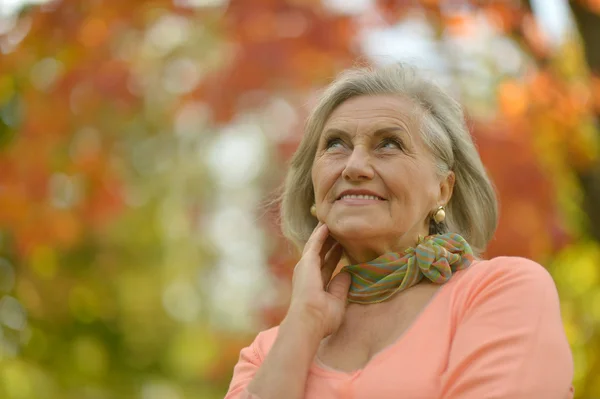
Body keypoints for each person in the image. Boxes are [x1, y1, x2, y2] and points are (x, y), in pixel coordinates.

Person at [225, 64, 575, 399]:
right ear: (314, 188)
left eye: (388, 144)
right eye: (335, 144)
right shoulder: (264, 354)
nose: (355, 166)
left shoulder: (500, 292)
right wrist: (304, 322)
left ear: (442, 189)